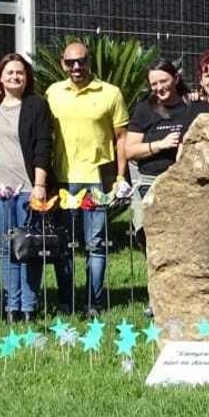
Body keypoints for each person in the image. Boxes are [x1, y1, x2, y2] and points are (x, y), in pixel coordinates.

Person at [46, 39, 128, 313]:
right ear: (62, 64)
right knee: (64, 245)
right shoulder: (53, 92)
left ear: (90, 62)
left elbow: (121, 138)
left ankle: (94, 302)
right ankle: (67, 301)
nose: (77, 67)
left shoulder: (110, 92)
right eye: (70, 62)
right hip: (64, 178)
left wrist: (119, 177)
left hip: (98, 178)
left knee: (95, 244)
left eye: (82, 61)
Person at [0, 52, 53, 323]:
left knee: (29, 247)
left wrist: (40, 184)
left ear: (27, 77)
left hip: (27, 187)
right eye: (9, 72)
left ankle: (30, 306)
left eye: (20, 72)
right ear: (1, 77)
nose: (15, 77)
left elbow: (44, 146)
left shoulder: (36, 105)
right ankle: (12, 306)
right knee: (6, 248)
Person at [125, 60, 198, 235]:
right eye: (154, 84)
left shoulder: (193, 106)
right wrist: (160, 145)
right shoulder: (144, 110)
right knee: (149, 236)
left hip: (185, 183)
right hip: (150, 183)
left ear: (176, 79)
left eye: (163, 81)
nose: (159, 88)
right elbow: (129, 151)